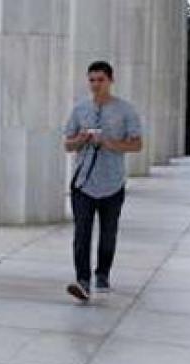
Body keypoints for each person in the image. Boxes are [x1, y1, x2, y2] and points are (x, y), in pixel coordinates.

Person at [63, 61, 143, 303]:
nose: (96, 85)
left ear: (110, 80)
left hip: (112, 183)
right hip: (83, 182)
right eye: (92, 80)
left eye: (100, 80)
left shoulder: (125, 110)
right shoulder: (79, 109)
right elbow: (67, 144)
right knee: (82, 233)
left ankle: (103, 274)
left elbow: (137, 144)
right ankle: (83, 281)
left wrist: (107, 143)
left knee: (108, 233)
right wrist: (82, 138)